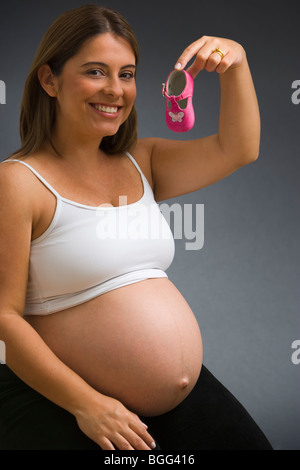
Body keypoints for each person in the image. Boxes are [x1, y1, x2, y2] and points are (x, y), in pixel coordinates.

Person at [0, 4, 273, 450]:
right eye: (95, 71)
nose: (115, 89)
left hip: (168, 398)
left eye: (126, 74)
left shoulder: (141, 161)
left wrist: (235, 62)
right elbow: (4, 318)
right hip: (61, 395)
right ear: (49, 80)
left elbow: (238, 147)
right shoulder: (18, 181)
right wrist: (87, 404)